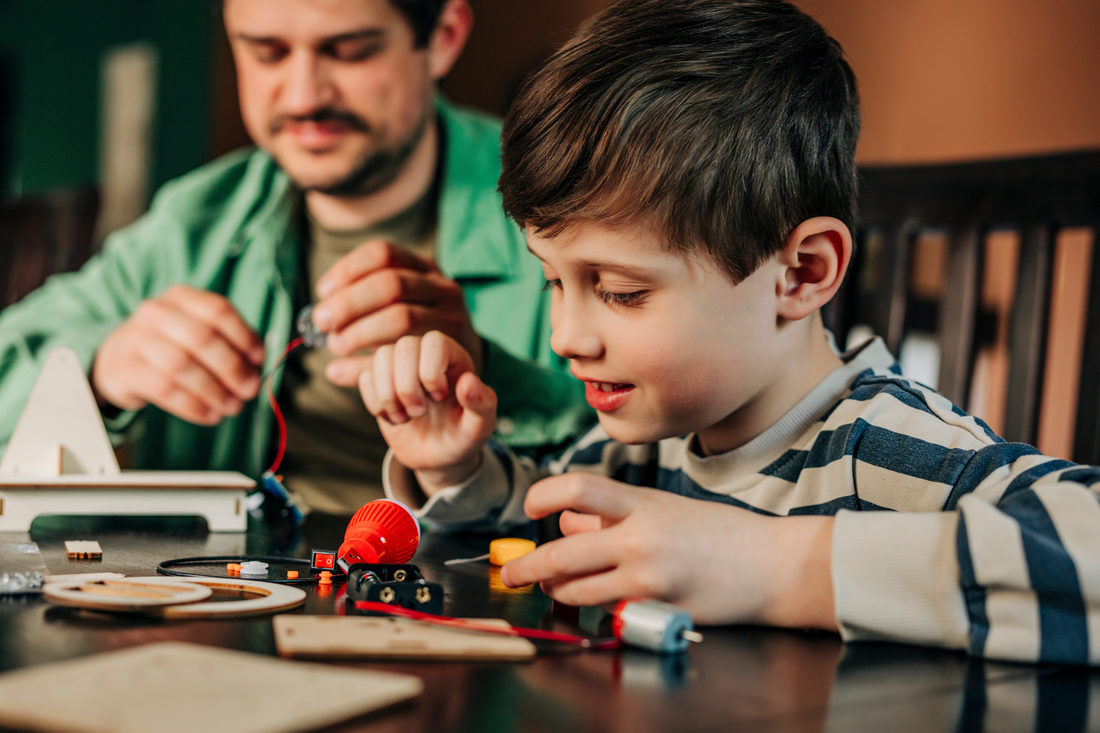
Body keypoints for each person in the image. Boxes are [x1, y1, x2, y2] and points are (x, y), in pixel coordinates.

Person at [359, 0, 1100, 665]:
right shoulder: (641, 443)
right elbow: (541, 514)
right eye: (554, 281)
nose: (565, 335)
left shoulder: (892, 448)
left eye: (620, 291)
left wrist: (774, 566)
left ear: (802, 273)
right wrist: (456, 469)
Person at [0, 0, 591, 515]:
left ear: (442, 37)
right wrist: (100, 367)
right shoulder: (194, 222)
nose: (305, 96)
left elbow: (658, 464)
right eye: (266, 53)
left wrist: (494, 374)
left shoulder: (568, 200)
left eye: (349, 51)